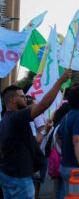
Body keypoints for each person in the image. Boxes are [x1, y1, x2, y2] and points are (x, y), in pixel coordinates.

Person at [0, 70, 71, 199]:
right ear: (12, 99)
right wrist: (60, 81)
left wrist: (45, 131)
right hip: (19, 179)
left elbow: (31, 142)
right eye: (22, 96)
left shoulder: (6, 118)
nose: (26, 99)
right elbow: (44, 105)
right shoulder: (16, 117)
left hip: (9, 175)